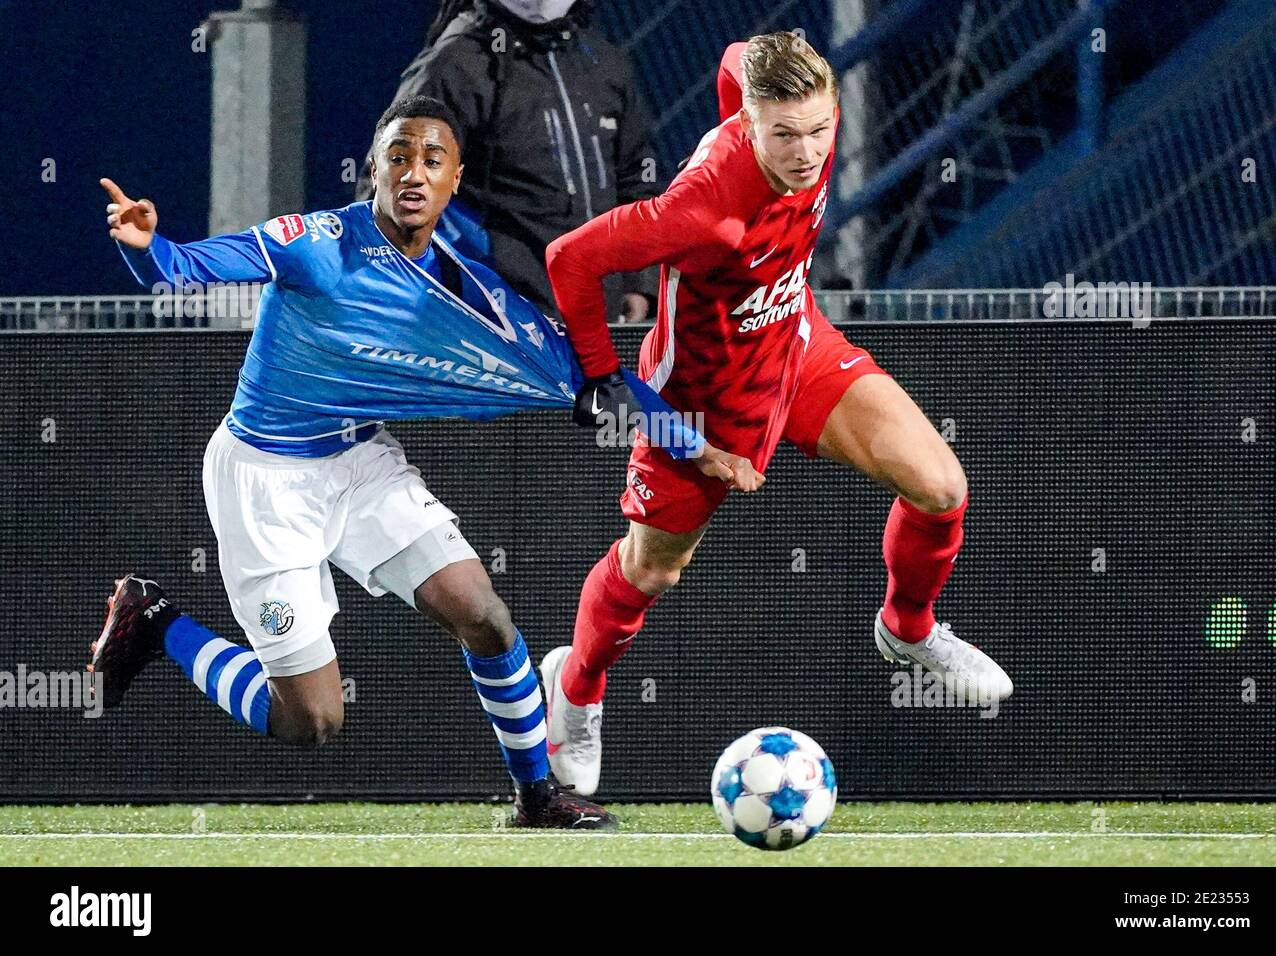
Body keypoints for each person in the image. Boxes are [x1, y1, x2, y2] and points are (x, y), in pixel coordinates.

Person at [89, 95, 625, 828]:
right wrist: (147, 246)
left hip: (362, 462)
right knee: (311, 720)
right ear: (373, 167)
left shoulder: (451, 279)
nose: (414, 173)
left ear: (454, 179)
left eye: (432, 160)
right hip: (266, 483)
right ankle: (155, 621)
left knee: (487, 620)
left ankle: (536, 796)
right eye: (399, 156)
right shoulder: (315, 240)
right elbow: (180, 272)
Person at [541, 33, 1014, 796]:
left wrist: (763, 65)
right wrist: (605, 379)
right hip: (704, 398)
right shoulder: (700, 212)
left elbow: (734, 54)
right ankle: (578, 687)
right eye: (783, 135)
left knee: (941, 488)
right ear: (749, 126)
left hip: (797, 342)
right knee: (653, 570)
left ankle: (909, 629)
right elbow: (569, 258)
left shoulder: (785, 107)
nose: (806, 151)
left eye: (820, 129)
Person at [362, 0, 659, 321]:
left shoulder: (603, 63)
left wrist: (640, 282)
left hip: (601, 325)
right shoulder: (455, 66)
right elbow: (387, 192)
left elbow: (637, 179)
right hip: (498, 332)